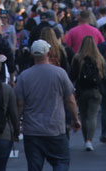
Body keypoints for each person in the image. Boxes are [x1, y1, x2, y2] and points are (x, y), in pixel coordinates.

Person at [14, 39, 80, 171]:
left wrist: (16, 126)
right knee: (61, 161)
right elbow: (70, 100)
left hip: (32, 130)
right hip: (55, 129)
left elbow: (19, 104)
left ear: (32, 55)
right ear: (48, 53)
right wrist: (75, 119)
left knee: (34, 166)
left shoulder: (24, 76)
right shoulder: (59, 73)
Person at [69, 35, 104, 151]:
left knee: (84, 115)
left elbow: (72, 75)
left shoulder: (78, 58)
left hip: (82, 90)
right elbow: (103, 75)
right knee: (92, 115)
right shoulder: (99, 58)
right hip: (95, 90)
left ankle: (85, 140)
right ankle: (90, 140)